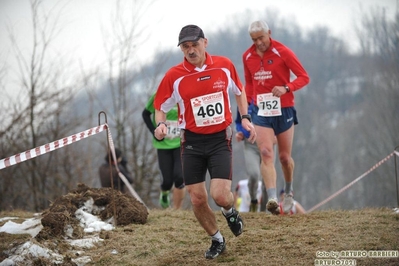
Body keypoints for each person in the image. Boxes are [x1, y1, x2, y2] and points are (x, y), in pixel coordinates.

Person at [153, 24, 256, 259]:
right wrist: (160, 124)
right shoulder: (174, 76)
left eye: (194, 45)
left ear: (205, 43)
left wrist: (246, 118)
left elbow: (239, 91)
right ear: (181, 49)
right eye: (185, 47)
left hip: (220, 139)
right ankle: (217, 239)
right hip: (191, 141)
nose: (191, 50)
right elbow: (160, 106)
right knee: (197, 198)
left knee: (220, 195)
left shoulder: (224, 65)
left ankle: (230, 211)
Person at [242, 20, 310, 215]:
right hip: (261, 110)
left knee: (284, 157)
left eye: (261, 38)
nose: (258, 43)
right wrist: (246, 111)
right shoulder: (247, 56)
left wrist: (286, 87)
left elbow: (304, 77)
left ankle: (288, 192)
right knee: (265, 152)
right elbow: (248, 84)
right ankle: (272, 199)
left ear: (269, 33)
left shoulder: (284, 52)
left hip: (284, 109)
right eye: (254, 40)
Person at [142, 92, 186, 210]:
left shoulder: (183, 91)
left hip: (180, 143)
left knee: (179, 177)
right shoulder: (158, 95)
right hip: (163, 145)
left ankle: (177, 210)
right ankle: (164, 192)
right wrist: (154, 132)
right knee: (167, 181)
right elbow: (145, 114)